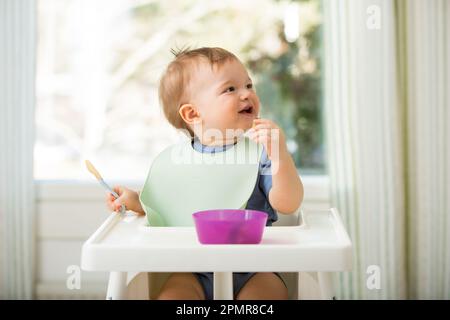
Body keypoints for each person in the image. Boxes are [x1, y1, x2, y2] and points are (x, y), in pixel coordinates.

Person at [106, 47, 304, 300]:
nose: (246, 94)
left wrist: (280, 156)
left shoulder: (261, 152)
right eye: (230, 89)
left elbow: (289, 203)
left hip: (255, 266)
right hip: (192, 268)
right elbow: (166, 206)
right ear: (192, 113)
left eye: (248, 84)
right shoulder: (176, 161)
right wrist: (137, 200)